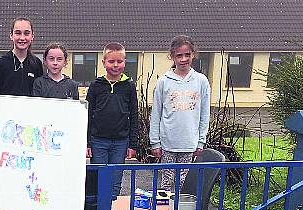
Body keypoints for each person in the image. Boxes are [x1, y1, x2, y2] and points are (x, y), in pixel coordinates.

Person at [149, 35, 211, 194]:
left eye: (187, 55)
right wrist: (155, 142)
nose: (183, 59)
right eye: (179, 55)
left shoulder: (201, 81)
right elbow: (156, 113)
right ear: (172, 56)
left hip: (189, 143)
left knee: (184, 183)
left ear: (193, 54)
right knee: (167, 181)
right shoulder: (164, 82)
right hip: (167, 143)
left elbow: (204, 113)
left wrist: (201, 141)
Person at [86, 42, 138, 200]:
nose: (115, 65)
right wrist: (87, 143)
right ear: (103, 62)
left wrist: (133, 144)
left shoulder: (129, 86)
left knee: (115, 181)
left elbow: (134, 115)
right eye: (111, 61)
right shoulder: (96, 85)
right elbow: (87, 115)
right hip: (98, 141)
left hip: (120, 142)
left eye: (119, 61)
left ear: (124, 62)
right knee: (99, 179)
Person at [0, 17, 43, 96]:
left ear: (32, 36)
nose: (22, 38)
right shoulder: (0, 64)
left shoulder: (37, 64)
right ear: (11, 35)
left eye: (26, 33)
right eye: (18, 33)